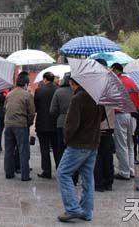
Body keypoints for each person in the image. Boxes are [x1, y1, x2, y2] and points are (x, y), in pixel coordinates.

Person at [56, 77, 104, 223]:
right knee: (87, 177)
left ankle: (72, 208)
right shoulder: (97, 96)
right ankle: (87, 211)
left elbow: (72, 124)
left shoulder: (77, 98)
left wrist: (67, 138)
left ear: (73, 83)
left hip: (78, 144)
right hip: (93, 142)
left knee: (63, 173)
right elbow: (102, 117)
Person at [110, 63, 139, 181]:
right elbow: (138, 101)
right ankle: (131, 170)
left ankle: (124, 172)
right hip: (131, 115)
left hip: (119, 114)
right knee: (130, 144)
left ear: (115, 70)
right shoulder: (131, 81)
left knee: (121, 145)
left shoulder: (116, 82)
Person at [4, 71, 35, 181]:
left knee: (8, 150)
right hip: (21, 125)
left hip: (8, 124)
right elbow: (31, 112)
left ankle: (9, 173)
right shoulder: (27, 95)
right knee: (23, 150)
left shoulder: (9, 94)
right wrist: (28, 123)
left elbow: (5, 108)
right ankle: (25, 175)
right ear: (26, 84)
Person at [34, 71, 60, 179]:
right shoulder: (58, 90)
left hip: (42, 124)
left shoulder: (39, 91)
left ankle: (46, 171)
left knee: (44, 149)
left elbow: (35, 107)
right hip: (55, 124)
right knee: (57, 149)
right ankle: (59, 170)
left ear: (45, 79)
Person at [50, 73, 73, 162]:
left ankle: (61, 167)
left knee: (61, 147)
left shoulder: (58, 91)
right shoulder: (77, 91)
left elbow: (52, 110)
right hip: (75, 122)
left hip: (61, 122)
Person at [94, 106, 115, 192]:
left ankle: (99, 183)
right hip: (109, 128)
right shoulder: (110, 100)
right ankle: (108, 183)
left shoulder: (95, 100)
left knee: (98, 157)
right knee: (108, 157)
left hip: (97, 129)